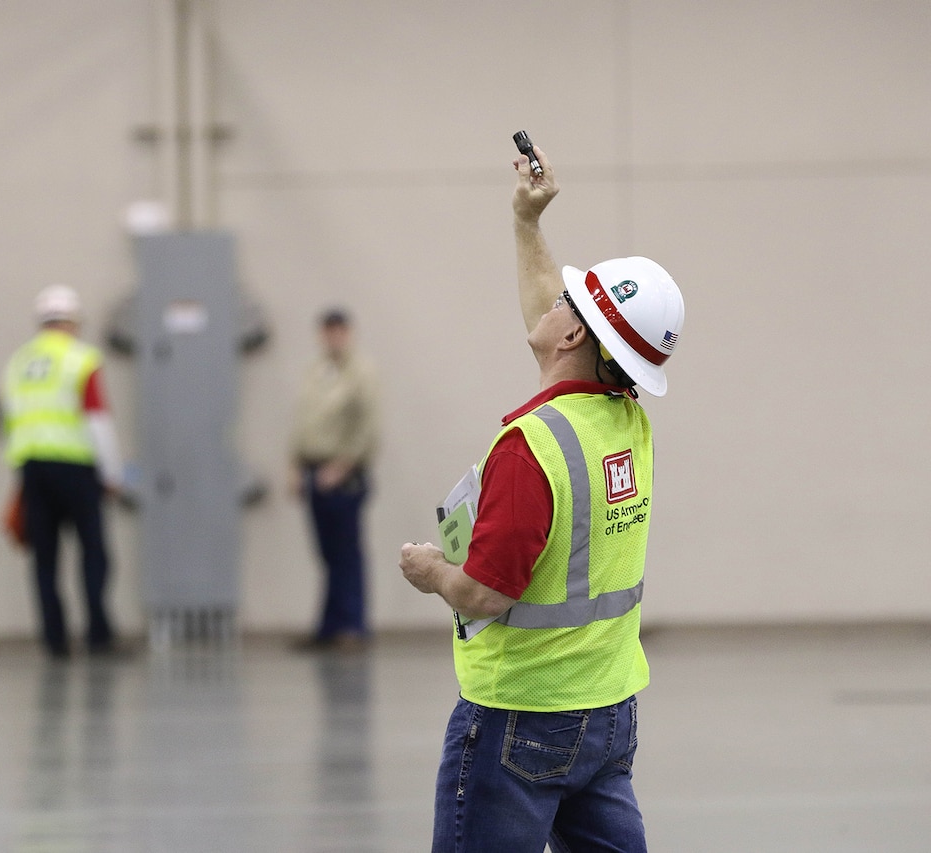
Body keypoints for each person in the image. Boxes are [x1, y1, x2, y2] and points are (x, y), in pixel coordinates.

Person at [399, 144, 685, 851]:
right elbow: (552, 320)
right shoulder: (625, 421)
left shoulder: (532, 447)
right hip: (606, 714)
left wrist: (430, 568)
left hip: (520, 720)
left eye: (568, 299)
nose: (553, 299)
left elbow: (486, 594)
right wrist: (527, 222)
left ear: (575, 332)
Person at [0, 284, 125, 659]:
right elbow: (96, 417)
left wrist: (20, 464)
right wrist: (113, 473)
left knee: (45, 559)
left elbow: (5, 420)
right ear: (72, 321)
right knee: (94, 553)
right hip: (76, 466)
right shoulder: (80, 358)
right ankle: (98, 636)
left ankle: (54, 640)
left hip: (32, 469)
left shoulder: (17, 362)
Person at [289, 308, 381, 652]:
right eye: (327, 332)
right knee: (326, 554)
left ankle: (352, 626)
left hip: (344, 476)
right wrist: (295, 465)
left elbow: (368, 426)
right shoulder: (316, 371)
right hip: (314, 471)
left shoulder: (361, 373)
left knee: (346, 553)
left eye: (338, 332)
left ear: (348, 333)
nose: (332, 338)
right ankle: (329, 626)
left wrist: (343, 465)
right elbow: (303, 421)